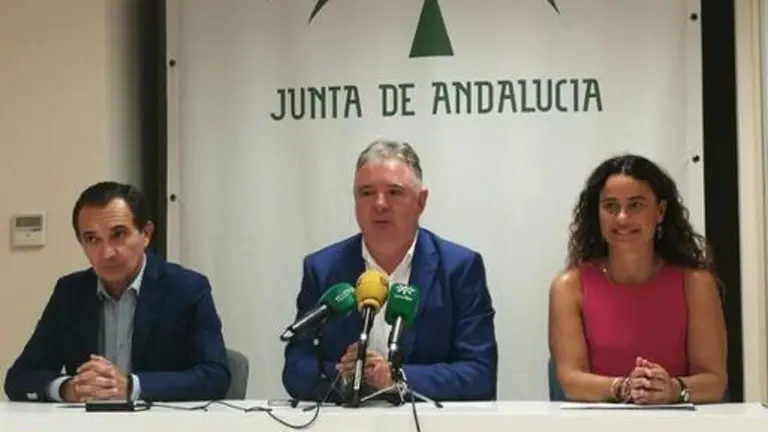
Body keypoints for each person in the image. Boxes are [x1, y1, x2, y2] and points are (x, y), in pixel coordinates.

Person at [282, 140, 498, 403]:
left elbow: (479, 374)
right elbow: (297, 369)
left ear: (421, 201)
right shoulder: (322, 269)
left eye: (395, 192)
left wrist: (396, 378)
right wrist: (349, 376)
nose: (380, 204)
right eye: (367, 193)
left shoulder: (459, 268)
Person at [4, 181, 230, 402]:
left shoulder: (187, 288)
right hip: (87, 421)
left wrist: (131, 386)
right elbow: (20, 377)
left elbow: (215, 376)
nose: (106, 253)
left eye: (118, 234)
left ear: (146, 234)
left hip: (159, 420)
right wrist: (67, 389)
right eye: (92, 239)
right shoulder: (70, 292)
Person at [548, 154, 727, 404]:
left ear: (660, 211)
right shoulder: (570, 286)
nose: (622, 217)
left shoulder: (696, 283)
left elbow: (714, 381)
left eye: (636, 205)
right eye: (610, 206)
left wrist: (672, 389)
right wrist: (625, 388)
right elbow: (571, 380)